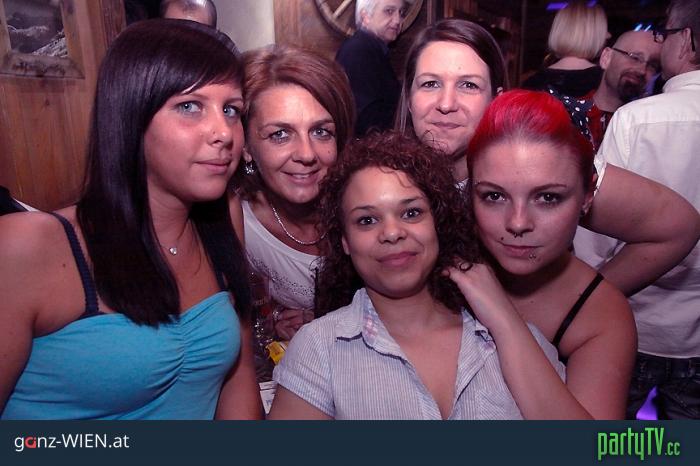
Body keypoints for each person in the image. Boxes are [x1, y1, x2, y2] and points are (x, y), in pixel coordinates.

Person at [0, 19, 260, 420]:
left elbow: (239, 383)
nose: (223, 132)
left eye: (231, 110)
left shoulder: (222, 219)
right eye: (189, 106)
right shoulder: (27, 246)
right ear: (131, 116)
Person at [395, 18, 699, 299]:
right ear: (409, 98)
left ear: (495, 98)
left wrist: (580, 305)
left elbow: (675, 226)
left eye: (468, 85)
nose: (446, 103)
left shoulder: (536, 160)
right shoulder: (388, 177)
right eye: (430, 83)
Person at [268, 131, 565, 420]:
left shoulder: (513, 338)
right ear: (345, 241)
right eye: (367, 220)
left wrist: (504, 319)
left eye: (411, 213)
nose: (392, 233)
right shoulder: (319, 349)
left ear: (437, 223)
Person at [462, 89, 636, 418]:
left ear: (587, 195)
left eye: (547, 198)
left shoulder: (601, 313)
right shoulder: (432, 260)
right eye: (494, 196)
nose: (517, 223)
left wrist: (503, 319)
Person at [574, 0, 700, 419]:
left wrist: (579, 308)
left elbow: (593, 241)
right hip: (694, 336)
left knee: (607, 441)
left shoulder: (637, 120)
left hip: (632, 323)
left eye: (665, 34)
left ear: (687, 40)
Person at [231, 45, 354, 342]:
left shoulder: (364, 206)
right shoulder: (236, 224)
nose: (306, 154)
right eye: (280, 134)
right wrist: (273, 319)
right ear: (246, 146)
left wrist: (329, 319)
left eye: (321, 131)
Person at [550, 30, 661, 150]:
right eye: (635, 58)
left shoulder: (649, 129)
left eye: (653, 65)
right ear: (606, 57)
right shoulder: (568, 117)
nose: (642, 70)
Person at [336, 0, 404, 135]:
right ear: (365, 16)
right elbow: (366, 122)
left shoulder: (369, 48)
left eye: (401, 13)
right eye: (389, 11)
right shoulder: (358, 51)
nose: (398, 20)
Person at [521, 0, 607, 97]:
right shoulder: (606, 83)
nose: (609, 35)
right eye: (606, 31)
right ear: (596, 35)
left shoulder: (533, 83)